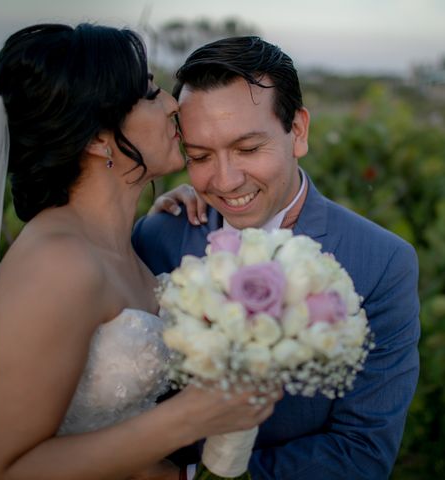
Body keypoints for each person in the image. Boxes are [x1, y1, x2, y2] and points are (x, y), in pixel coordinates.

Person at [0, 24, 280, 480]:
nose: (172, 104)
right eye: (149, 94)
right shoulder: (58, 264)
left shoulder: (125, 243)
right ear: (97, 139)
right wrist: (190, 417)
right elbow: (1, 471)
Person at [132, 36, 421, 479]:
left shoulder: (381, 263)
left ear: (298, 131)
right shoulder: (157, 237)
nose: (225, 181)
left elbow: (362, 451)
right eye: (201, 155)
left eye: (248, 149)